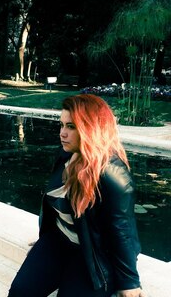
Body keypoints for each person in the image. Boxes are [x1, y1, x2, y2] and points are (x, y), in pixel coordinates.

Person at [8, 94, 146, 297]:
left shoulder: (113, 175)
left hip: (95, 253)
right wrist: (44, 237)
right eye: (62, 125)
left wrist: (130, 282)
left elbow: (122, 231)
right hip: (59, 240)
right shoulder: (65, 154)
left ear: (91, 128)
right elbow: (54, 203)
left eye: (71, 127)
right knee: (20, 292)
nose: (62, 133)